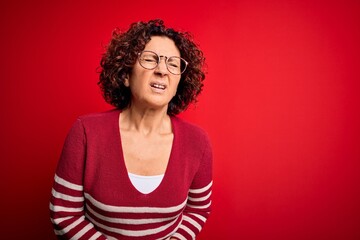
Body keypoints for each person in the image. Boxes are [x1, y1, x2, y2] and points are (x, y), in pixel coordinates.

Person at [50, 19, 212, 240]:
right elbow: (64, 214)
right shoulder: (86, 132)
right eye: (149, 59)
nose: (162, 70)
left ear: (179, 82)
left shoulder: (198, 142)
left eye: (173, 64)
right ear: (126, 75)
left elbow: (198, 209)